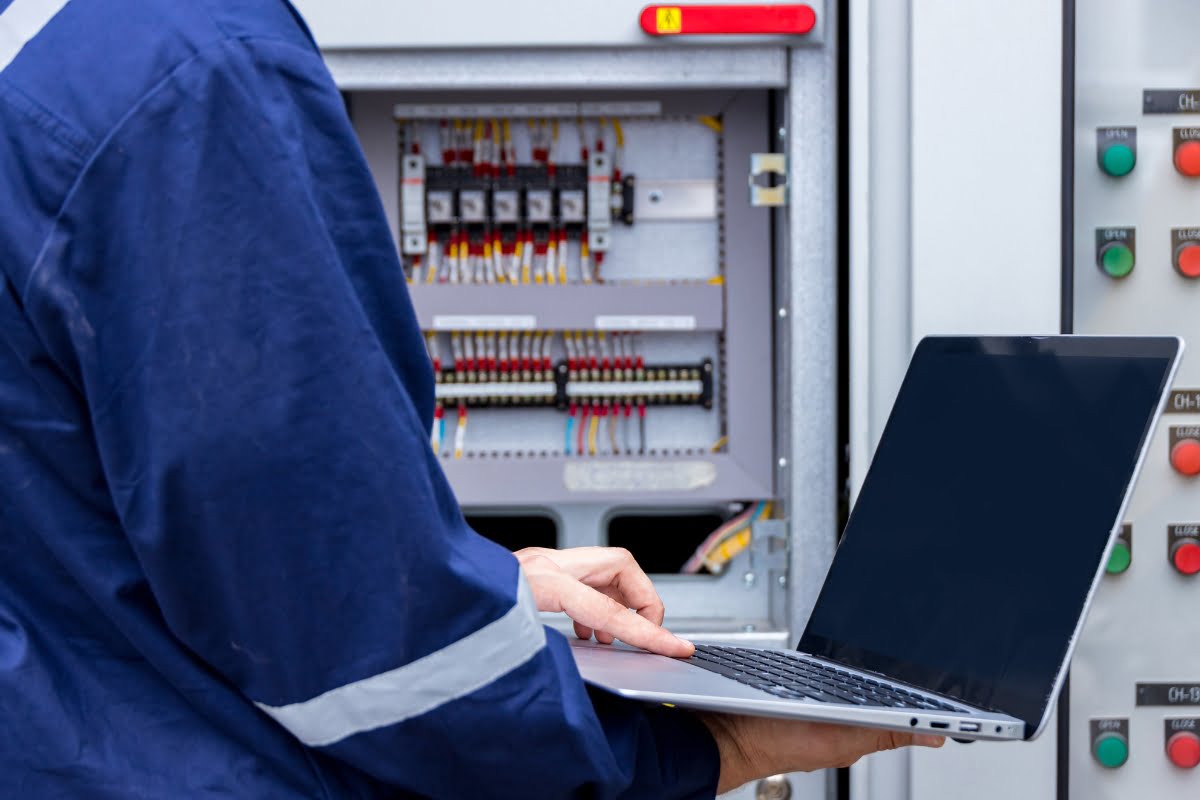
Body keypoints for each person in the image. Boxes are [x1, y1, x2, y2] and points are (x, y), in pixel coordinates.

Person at [0, 0, 942, 796]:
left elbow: (70, 532)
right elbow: (369, 650)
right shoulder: (184, 70)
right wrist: (701, 746)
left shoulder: (48, 59)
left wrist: (469, 589)